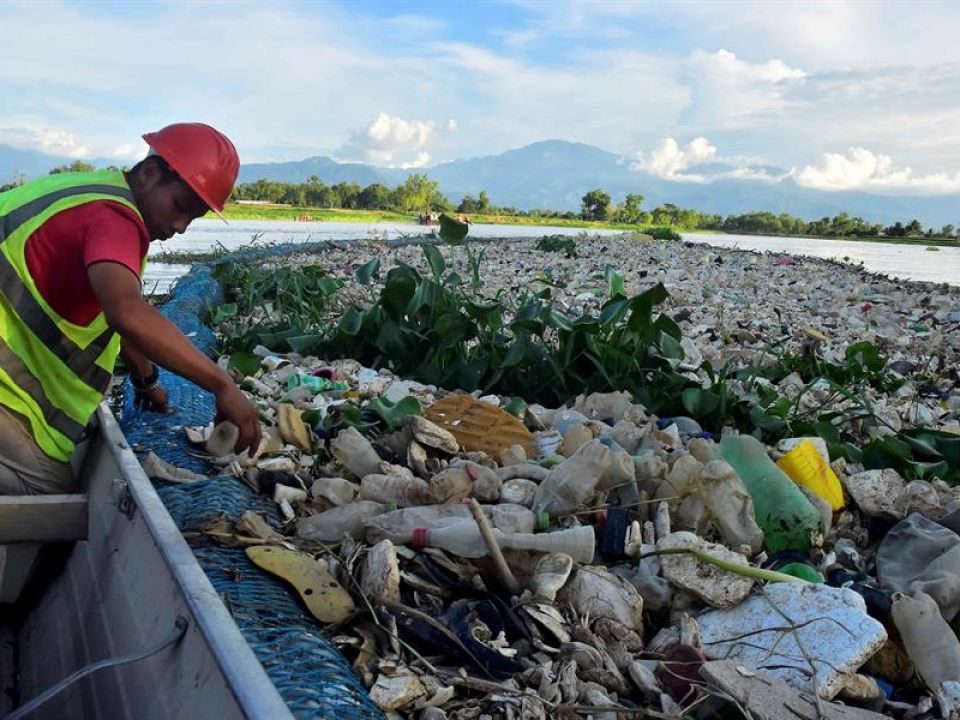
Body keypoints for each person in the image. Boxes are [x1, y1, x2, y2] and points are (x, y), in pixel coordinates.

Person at [0, 122, 262, 495]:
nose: (181, 226)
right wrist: (222, 385)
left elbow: (119, 315)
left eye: (194, 217)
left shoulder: (89, 193)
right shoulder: (117, 218)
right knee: (47, 498)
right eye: (180, 207)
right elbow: (126, 310)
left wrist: (145, 380)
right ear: (150, 172)